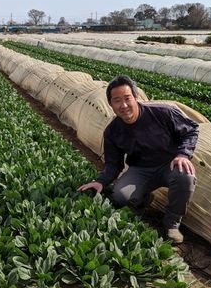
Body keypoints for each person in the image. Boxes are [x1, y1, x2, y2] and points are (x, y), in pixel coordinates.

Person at [77, 75, 199, 244]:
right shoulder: (112, 131)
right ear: (111, 105)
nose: (124, 105)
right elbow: (114, 163)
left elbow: (191, 130)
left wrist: (183, 154)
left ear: (136, 97)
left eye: (127, 98)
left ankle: (172, 223)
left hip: (169, 163)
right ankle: (143, 198)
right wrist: (101, 181)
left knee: (185, 176)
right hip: (141, 170)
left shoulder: (163, 112)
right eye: (117, 101)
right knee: (120, 196)